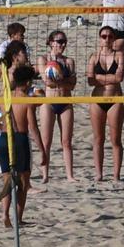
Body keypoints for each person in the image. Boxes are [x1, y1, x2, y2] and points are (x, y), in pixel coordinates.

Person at [0, 65, 46, 226]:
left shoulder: (4, 97)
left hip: (4, 139)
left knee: (7, 181)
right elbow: (33, 127)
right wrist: (42, 150)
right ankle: (18, 219)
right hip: (20, 139)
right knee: (23, 184)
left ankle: (5, 215)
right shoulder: (27, 101)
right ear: (27, 83)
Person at [39, 29, 76, 183]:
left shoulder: (69, 61)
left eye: (64, 42)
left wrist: (59, 80)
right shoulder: (43, 59)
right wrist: (62, 80)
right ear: (51, 42)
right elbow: (47, 82)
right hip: (48, 103)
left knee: (66, 141)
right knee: (45, 142)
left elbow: (73, 85)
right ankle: (45, 175)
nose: (62, 44)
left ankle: (70, 176)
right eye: (59, 41)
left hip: (65, 101)